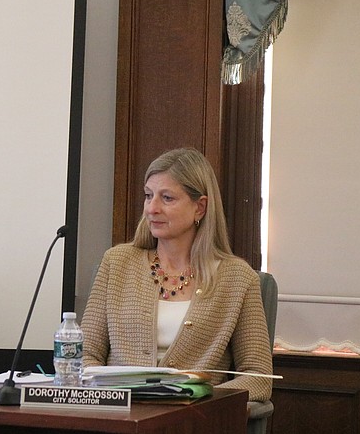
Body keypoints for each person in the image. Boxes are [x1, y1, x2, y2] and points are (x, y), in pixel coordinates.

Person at [81, 147, 272, 402]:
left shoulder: (238, 279)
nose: (152, 208)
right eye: (149, 196)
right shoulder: (117, 263)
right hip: (118, 415)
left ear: (200, 208)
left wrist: (198, 395)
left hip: (193, 423)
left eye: (167, 198)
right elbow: (83, 355)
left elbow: (258, 378)